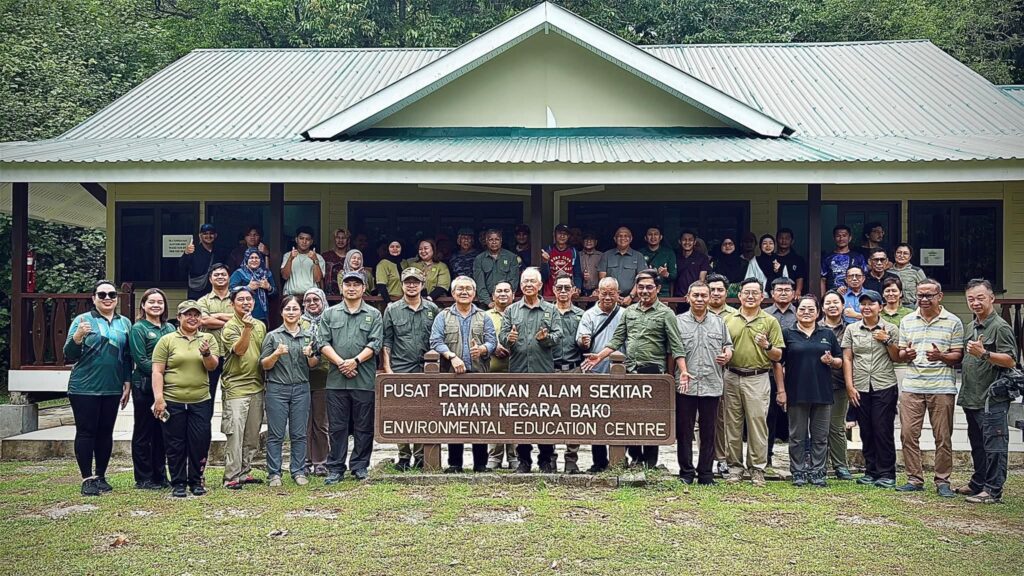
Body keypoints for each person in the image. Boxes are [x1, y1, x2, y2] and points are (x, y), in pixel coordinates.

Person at [582, 269, 689, 469]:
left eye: (649, 287)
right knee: (629, 416)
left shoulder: (666, 313)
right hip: (630, 370)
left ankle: (649, 462)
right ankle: (635, 457)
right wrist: (599, 356)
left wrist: (682, 371)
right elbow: (616, 340)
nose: (644, 291)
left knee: (650, 419)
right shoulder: (629, 312)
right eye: (641, 287)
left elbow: (676, 345)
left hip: (653, 371)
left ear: (658, 288)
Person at [63, 280, 133, 496]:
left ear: (117, 298)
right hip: (84, 387)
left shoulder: (125, 323)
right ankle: (87, 478)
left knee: (105, 432)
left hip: (112, 386)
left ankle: (101, 476)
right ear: (94, 298)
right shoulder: (82, 320)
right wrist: (77, 337)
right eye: (102, 295)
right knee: (86, 432)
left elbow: (127, 356)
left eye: (112, 294)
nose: (107, 298)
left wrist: (127, 382)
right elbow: (69, 354)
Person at [896, 278, 964, 497]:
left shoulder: (953, 321)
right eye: (920, 295)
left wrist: (941, 356)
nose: (924, 299)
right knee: (908, 434)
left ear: (940, 296)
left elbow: (958, 355)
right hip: (912, 385)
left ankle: (942, 480)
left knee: (942, 436)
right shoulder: (907, 320)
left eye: (929, 295)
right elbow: (901, 352)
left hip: (941, 387)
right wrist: (907, 354)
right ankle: (914, 478)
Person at [318, 271, 384, 483]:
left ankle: (360, 466)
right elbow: (322, 343)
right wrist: (341, 363)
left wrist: (354, 361)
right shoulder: (330, 314)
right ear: (341, 288)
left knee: (364, 427)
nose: (352, 288)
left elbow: (375, 343)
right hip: (336, 381)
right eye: (348, 284)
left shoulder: (374, 314)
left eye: (356, 284)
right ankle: (335, 468)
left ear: (364, 288)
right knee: (337, 427)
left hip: (363, 380)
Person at [957, 278, 1018, 504]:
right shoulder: (971, 326)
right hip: (972, 396)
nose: (975, 303)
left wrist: (984, 353)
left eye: (980, 298)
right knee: (978, 444)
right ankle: (978, 482)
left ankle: (992, 490)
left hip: (992, 399)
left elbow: (1011, 360)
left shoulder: (1000, 327)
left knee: (995, 446)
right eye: (971, 299)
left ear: (992, 298)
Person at [151, 300, 220, 498]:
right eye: (188, 314)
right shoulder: (167, 340)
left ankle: (196, 480)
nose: (192, 318)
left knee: (200, 441)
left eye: (196, 315)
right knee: (175, 443)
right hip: (173, 399)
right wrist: (159, 398)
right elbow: (157, 371)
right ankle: (178, 482)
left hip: (201, 400)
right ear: (179, 317)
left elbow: (212, 366)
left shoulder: (207, 338)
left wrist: (206, 354)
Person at [721, 277, 784, 486]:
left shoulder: (770, 321)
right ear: (739, 296)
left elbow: (778, 355)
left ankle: (757, 468)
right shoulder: (728, 319)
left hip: (758, 377)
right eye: (746, 292)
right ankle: (734, 467)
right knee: (732, 424)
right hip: (731, 375)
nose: (750, 296)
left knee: (758, 424)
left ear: (762, 296)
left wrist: (767, 346)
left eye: (755, 292)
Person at [431, 275, 497, 473]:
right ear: (453, 293)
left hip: (479, 375)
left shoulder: (484, 316)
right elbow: (435, 341)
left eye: (468, 288)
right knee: (454, 420)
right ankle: (455, 463)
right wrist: (451, 356)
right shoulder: (443, 316)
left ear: (474, 293)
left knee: (480, 419)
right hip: (453, 376)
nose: (464, 292)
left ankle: (480, 464)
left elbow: (492, 342)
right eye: (460, 289)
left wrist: (483, 349)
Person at [500, 268, 562, 473]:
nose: (528, 284)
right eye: (525, 281)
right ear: (520, 285)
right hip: (518, 371)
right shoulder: (511, 310)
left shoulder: (551, 310)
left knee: (545, 415)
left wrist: (546, 339)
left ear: (540, 285)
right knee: (520, 416)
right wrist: (508, 339)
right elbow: (502, 337)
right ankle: (524, 460)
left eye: (532, 281)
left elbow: (558, 335)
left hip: (543, 371)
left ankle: (546, 459)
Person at [780, 295, 843, 487]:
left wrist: (832, 361)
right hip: (796, 392)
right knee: (797, 437)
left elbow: (840, 361)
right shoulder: (787, 333)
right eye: (802, 309)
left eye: (811, 309)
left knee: (820, 437)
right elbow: (778, 362)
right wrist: (781, 391)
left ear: (818, 312)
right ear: (796, 312)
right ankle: (798, 471)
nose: (806, 312)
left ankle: (817, 472)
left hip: (822, 392)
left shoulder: (827, 334)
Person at [841, 290, 901, 489]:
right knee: (866, 430)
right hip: (860, 385)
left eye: (871, 304)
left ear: (880, 307)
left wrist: (886, 340)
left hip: (884, 384)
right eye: (863, 304)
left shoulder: (890, 328)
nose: (866, 307)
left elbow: (896, 357)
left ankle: (887, 473)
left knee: (882, 429)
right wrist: (850, 386)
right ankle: (871, 470)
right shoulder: (852, 329)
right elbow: (847, 358)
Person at [382, 268, 440, 471]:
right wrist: (387, 368)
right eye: (408, 282)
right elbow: (387, 340)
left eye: (416, 282)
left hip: (426, 368)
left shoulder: (432, 309)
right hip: (401, 366)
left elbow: (437, 339)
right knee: (402, 413)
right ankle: (404, 456)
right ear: (402, 284)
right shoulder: (392, 309)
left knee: (424, 412)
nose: (412, 285)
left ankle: (421, 455)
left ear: (422, 285)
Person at [676, 281, 733, 485]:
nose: (700, 299)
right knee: (684, 431)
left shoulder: (719, 322)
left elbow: (728, 345)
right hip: (686, 384)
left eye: (703, 295)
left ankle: (706, 474)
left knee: (709, 431)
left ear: (709, 298)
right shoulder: (678, 322)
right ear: (688, 298)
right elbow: (672, 351)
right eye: (696, 295)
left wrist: (727, 355)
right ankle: (686, 472)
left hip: (711, 382)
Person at [260, 295, 317, 487]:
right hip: (277, 388)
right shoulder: (273, 336)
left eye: (295, 309)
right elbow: (264, 365)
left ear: (301, 312)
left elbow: (314, 364)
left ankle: (298, 471)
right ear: (281, 312)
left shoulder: (308, 336)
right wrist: (276, 354)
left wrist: (310, 355)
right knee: (276, 434)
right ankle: (274, 473)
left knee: (299, 433)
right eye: (287, 309)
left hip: (301, 388)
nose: (291, 312)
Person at [220, 287, 267, 490]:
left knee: (252, 434)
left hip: (257, 385)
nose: (246, 302)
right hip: (236, 387)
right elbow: (239, 350)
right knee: (235, 434)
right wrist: (246, 328)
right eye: (241, 299)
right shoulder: (230, 327)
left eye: (249, 299)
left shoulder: (260, 325)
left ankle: (244, 472)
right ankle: (231, 476)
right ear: (232, 304)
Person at [128, 288, 175, 490]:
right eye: (151, 302)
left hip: (167, 388)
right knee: (143, 432)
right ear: (143, 305)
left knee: (162, 433)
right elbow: (141, 360)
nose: (156, 305)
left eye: (160, 302)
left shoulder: (170, 328)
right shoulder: (138, 328)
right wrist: (165, 371)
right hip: (145, 386)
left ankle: (160, 475)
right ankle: (143, 477)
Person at [576, 277, 625, 472]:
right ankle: (599, 461)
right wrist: (584, 342)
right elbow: (581, 340)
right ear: (597, 293)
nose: (607, 297)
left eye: (612, 293)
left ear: (618, 294)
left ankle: (621, 459)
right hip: (595, 373)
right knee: (596, 417)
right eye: (604, 293)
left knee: (620, 417)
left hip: (620, 373)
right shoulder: (589, 315)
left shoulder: (625, 314)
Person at [551, 273, 585, 473]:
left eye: (567, 288)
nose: (563, 291)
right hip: (550, 368)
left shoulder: (582, 315)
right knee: (550, 415)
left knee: (574, 415)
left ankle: (571, 459)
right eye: (559, 288)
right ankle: (550, 458)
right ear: (553, 290)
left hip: (575, 368)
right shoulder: (546, 313)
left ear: (573, 290)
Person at [764, 277, 797, 470]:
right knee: (769, 415)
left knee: (798, 415)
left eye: (787, 290)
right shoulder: (764, 315)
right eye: (779, 290)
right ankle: (766, 455)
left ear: (793, 293)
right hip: (769, 371)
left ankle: (798, 459)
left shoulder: (801, 313)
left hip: (796, 372)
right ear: (772, 293)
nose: (783, 293)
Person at [706, 272, 736, 478]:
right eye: (712, 290)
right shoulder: (696, 312)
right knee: (702, 421)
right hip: (702, 374)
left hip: (728, 373)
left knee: (724, 418)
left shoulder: (735, 316)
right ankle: (704, 459)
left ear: (726, 292)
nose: (716, 293)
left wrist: (728, 354)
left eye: (720, 290)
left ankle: (722, 458)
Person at [819, 291, 852, 480]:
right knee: (818, 427)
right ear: (822, 308)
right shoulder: (814, 328)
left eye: (836, 302)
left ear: (842, 305)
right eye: (828, 303)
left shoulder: (850, 329)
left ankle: (841, 466)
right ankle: (819, 465)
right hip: (817, 384)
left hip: (840, 383)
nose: (832, 306)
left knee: (837, 426)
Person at [485, 281, 516, 471]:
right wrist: (493, 347)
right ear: (493, 296)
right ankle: (494, 456)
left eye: (506, 291)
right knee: (494, 416)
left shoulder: (519, 313)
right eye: (499, 291)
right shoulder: (485, 316)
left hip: (516, 372)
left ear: (513, 295)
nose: (503, 294)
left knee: (516, 415)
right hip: (492, 372)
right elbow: (478, 338)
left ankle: (514, 456)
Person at [301, 287, 330, 476]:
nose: (312, 303)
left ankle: (321, 462)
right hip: (302, 377)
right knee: (304, 423)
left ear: (322, 301)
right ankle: (304, 461)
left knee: (321, 422)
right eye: (308, 300)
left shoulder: (330, 319)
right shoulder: (299, 321)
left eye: (316, 299)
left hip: (325, 377)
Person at [198, 264, 232, 402]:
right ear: (210, 279)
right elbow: (204, 320)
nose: (220, 277)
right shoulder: (203, 301)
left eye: (223, 274)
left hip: (232, 353)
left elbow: (242, 318)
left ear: (229, 277)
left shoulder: (237, 299)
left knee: (231, 395)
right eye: (216, 275)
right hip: (210, 354)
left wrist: (216, 315)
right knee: (208, 395)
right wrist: (230, 322)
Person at [180, 223, 229, 300]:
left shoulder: (221, 251)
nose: (208, 236)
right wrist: (186, 254)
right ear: (200, 235)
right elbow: (182, 267)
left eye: (211, 233)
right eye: (205, 234)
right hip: (196, 292)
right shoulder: (193, 250)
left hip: (216, 291)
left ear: (215, 235)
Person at [473, 229, 520, 308]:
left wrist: (506, 299)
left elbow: (513, 281)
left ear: (501, 240)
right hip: (486, 303)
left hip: (507, 301)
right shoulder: (479, 259)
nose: (494, 242)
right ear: (486, 241)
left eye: (497, 239)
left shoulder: (511, 257)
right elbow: (479, 284)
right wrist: (488, 302)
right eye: (491, 239)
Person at [598, 227, 645, 304]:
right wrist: (614, 296)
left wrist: (631, 296)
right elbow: (602, 279)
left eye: (626, 236)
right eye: (620, 236)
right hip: (610, 299)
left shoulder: (638, 256)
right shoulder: (606, 255)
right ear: (615, 239)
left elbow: (641, 279)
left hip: (633, 300)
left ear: (631, 239)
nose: (623, 238)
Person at [229, 247, 275, 322]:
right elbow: (231, 290)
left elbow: (275, 293)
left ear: (260, 259)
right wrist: (248, 287)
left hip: (263, 313)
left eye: (257, 258)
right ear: (246, 259)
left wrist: (268, 287)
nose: (254, 260)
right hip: (245, 313)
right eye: (251, 258)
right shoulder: (239, 273)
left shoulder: (266, 273)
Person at [821, 225, 867, 294]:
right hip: (832, 295)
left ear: (850, 238)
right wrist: (823, 297)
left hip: (854, 294)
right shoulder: (827, 258)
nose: (841, 238)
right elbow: (823, 279)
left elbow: (864, 276)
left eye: (844, 235)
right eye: (838, 236)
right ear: (834, 238)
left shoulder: (858, 257)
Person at [280, 226, 325, 297]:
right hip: (291, 296)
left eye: (307, 239)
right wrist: (290, 259)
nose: (304, 242)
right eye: (301, 238)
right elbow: (285, 276)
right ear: (296, 239)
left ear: (311, 242)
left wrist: (315, 260)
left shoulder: (318, 257)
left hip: (311, 297)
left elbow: (318, 279)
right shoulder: (288, 255)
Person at [541, 224, 583, 298]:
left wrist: (578, 288)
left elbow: (577, 273)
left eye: (565, 234)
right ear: (554, 234)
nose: (562, 236)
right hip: (550, 294)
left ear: (568, 236)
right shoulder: (548, 250)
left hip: (567, 293)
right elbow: (544, 277)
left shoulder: (573, 252)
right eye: (560, 233)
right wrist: (544, 262)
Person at [641, 225, 677, 298]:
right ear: (645, 238)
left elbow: (674, 275)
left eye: (656, 234)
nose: (653, 237)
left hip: (663, 293)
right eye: (650, 234)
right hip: (644, 291)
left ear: (661, 237)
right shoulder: (640, 253)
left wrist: (666, 274)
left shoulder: (669, 253)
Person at [674, 230, 709, 299]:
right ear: (679, 241)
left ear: (694, 242)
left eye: (690, 240)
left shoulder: (702, 258)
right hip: (677, 298)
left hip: (695, 296)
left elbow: (701, 280)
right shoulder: (674, 256)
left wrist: (691, 293)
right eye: (684, 240)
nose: (687, 242)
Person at [323, 228, 351, 295]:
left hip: (347, 293)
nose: (340, 240)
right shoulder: (326, 256)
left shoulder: (351, 257)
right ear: (334, 239)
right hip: (328, 294)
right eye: (338, 237)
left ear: (348, 240)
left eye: (343, 238)